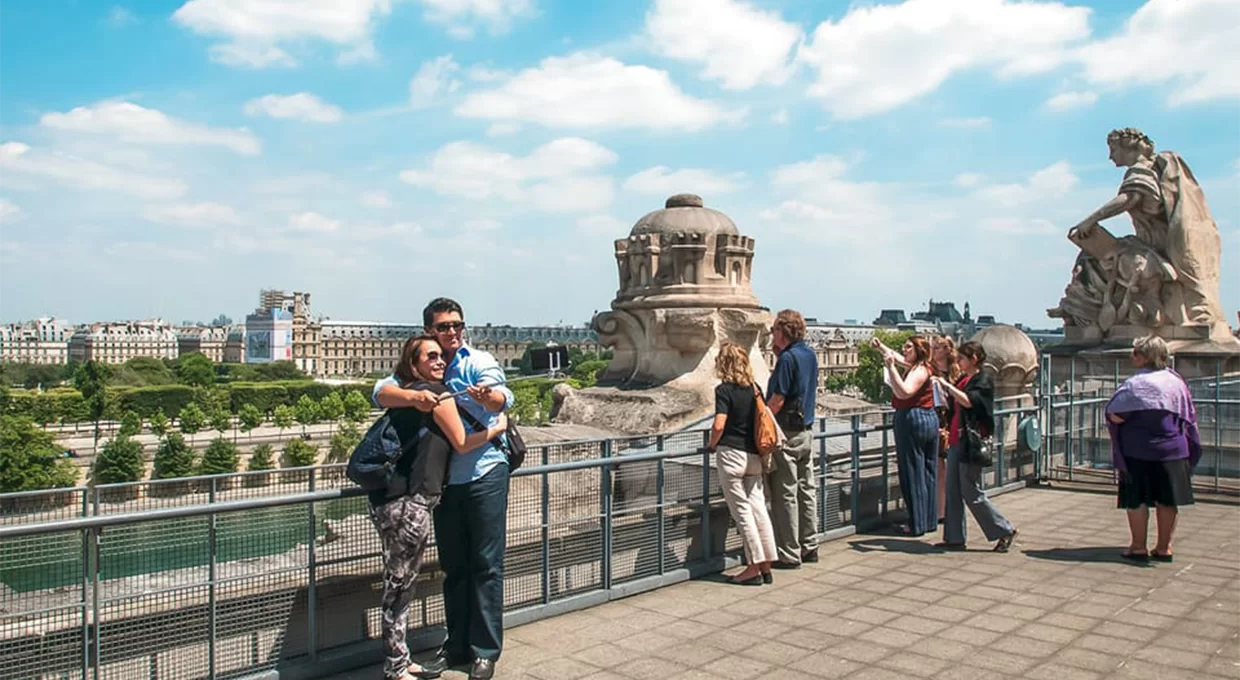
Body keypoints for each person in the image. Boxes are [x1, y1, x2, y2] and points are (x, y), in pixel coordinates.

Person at [373, 298, 513, 680]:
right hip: (447, 482)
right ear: (428, 331)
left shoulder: (477, 360)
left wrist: (491, 398)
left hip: (485, 471)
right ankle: (456, 648)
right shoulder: (425, 362)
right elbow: (381, 391)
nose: (452, 332)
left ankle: (484, 651)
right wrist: (416, 396)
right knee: (454, 567)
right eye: (444, 327)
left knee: (485, 564)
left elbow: (504, 396)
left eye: (457, 325)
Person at [1105, 335, 1201, 563]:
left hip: (1138, 450)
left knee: (1136, 499)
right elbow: (1187, 414)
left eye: (1135, 352)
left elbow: (1115, 413)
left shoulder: (1135, 384)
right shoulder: (1175, 381)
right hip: (1173, 450)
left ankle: (1138, 547)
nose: (1132, 356)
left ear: (1143, 357)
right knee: (1167, 500)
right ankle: (1164, 547)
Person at [932, 341, 1017, 552]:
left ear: (974, 358)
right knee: (952, 490)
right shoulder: (963, 379)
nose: (958, 362)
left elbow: (971, 402)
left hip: (970, 442)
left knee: (970, 490)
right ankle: (953, 537)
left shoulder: (984, 379)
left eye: (962, 358)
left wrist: (948, 387)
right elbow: (956, 405)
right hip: (955, 438)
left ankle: (1003, 528)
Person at [707, 342, 777, 586]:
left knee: (742, 513)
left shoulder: (724, 390)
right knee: (759, 510)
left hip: (732, 456)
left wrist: (711, 444)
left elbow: (719, 424)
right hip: (754, 456)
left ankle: (752, 568)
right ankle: (767, 564)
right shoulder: (755, 389)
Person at [765, 310, 820, 569]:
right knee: (806, 490)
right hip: (806, 431)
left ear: (783, 331)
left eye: (775, 329)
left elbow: (777, 400)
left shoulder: (787, 359)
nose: (772, 333)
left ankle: (788, 552)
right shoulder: (808, 354)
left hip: (786, 433)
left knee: (785, 493)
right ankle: (810, 545)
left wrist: (761, 420)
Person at [872, 335, 938, 536]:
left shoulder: (919, 370)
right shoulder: (920, 366)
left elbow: (904, 392)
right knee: (927, 472)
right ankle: (927, 520)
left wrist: (891, 369)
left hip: (913, 419)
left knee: (912, 472)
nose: (904, 349)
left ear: (919, 350)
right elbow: (898, 357)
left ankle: (916, 524)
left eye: (909, 347)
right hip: (927, 419)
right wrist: (881, 347)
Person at [931, 336, 960, 523]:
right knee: (938, 467)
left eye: (937, 347)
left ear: (948, 350)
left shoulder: (954, 373)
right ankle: (940, 510)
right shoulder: (929, 370)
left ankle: (944, 509)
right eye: (932, 347)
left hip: (949, 421)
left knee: (946, 468)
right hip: (935, 419)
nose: (933, 351)